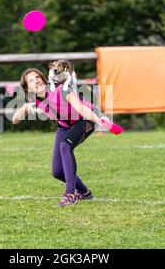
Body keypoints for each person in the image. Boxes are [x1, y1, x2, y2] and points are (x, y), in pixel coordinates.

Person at [12, 62, 101, 207]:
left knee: (65, 146)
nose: (36, 81)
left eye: (37, 77)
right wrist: (26, 107)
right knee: (58, 172)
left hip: (87, 118)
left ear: (43, 78)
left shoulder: (61, 89)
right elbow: (15, 120)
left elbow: (81, 109)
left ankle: (70, 194)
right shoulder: (35, 101)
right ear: (27, 89)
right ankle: (84, 193)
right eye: (31, 81)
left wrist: (99, 120)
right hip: (65, 125)